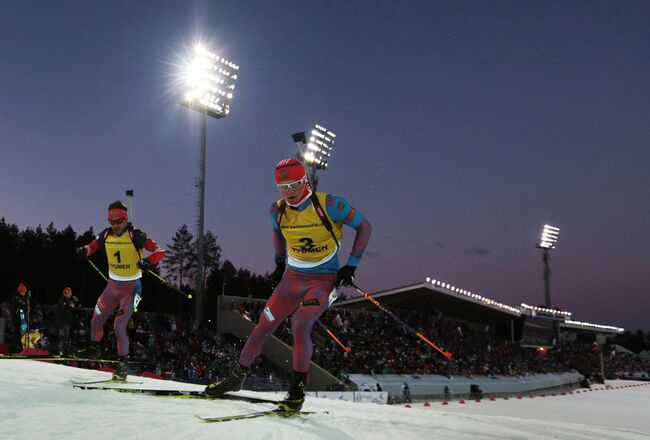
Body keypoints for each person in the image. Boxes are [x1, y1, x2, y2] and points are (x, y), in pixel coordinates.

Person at [205, 158, 372, 410]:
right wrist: (279, 260)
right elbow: (276, 230)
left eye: (294, 184)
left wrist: (351, 265)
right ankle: (237, 377)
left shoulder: (330, 204)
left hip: (322, 280)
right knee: (263, 325)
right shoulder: (277, 211)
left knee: (300, 323)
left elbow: (364, 227)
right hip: (292, 279)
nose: (290, 192)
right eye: (283, 187)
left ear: (306, 181)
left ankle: (296, 391)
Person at [76, 200, 166, 380]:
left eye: (119, 222)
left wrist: (148, 262)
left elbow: (160, 251)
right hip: (112, 286)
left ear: (125, 219)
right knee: (95, 321)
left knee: (119, 326)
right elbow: (92, 247)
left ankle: (123, 366)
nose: (116, 226)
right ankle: (94, 348)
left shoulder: (137, 236)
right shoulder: (106, 235)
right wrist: (83, 251)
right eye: (112, 222)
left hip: (131, 288)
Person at [9, 283, 42, 352]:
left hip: (22, 319)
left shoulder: (23, 298)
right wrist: (25, 303)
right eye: (23, 292)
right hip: (18, 319)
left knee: (22, 335)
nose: (24, 293)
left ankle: (22, 349)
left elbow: (26, 308)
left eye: (25, 292)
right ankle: (12, 350)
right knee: (17, 334)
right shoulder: (16, 297)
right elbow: (20, 306)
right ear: (20, 291)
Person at [53, 287, 79, 356]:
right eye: (69, 293)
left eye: (70, 293)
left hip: (67, 323)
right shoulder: (62, 301)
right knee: (62, 338)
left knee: (66, 339)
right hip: (62, 323)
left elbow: (71, 310)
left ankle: (62, 353)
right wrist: (70, 306)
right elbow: (65, 311)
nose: (70, 294)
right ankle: (58, 354)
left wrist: (72, 305)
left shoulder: (68, 301)